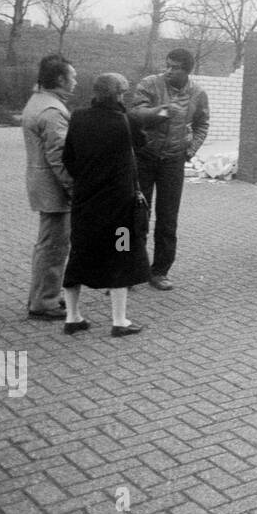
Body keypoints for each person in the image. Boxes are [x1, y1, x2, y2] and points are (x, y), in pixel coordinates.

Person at [61, 73, 151, 337]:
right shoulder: (125, 121)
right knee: (120, 255)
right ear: (120, 95)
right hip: (119, 207)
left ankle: (72, 317)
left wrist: (88, 179)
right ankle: (119, 321)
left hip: (85, 203)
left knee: (78, 255)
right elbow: (142, 143)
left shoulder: (78, 117)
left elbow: (68, 157)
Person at [127, 48, 209, 291]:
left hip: (173, 161)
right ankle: (129, 269)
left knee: (168, 219)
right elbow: (135, 115)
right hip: (144, 157)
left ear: (187, 70)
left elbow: (202, 123)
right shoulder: (150, 84)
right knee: (136, 214)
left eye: (176, 67)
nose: (169, 70)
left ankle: (160, 271)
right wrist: (162, 111)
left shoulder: (198, 93)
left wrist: (191, 149)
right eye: (168, 65)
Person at [22, 54, 77, 320]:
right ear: (60, 79)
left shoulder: (39, 101)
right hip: (53, 188)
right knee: (54, 247)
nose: (75, 81)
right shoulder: (53, 111)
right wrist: (74, 189)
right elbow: (60, 157)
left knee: (48, 245)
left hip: (43, 183)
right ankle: (44, 303)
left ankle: (43, 296)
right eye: (72, 76)